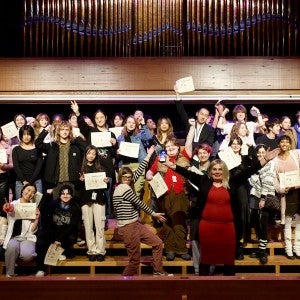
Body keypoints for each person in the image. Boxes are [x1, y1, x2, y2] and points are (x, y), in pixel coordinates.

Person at [165, 148, 278, 275]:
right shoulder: (204, 181)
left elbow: (249, 171)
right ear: (210, 171)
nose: (217, 172)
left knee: (228, 260)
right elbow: (187, 173)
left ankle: (229, 290)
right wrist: (173, 166)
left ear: (224, 171)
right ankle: (203, 289)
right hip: (207, 227)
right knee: (206, 259)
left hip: (227, 228)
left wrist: (266, 159)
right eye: (214, 169)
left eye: (220, 169)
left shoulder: (232, 181)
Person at [112, 146, 171, 277]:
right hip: (128, 227)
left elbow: (138, 171)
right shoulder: (122, 188)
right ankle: (122, 286)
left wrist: (149, 154)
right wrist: (154, 213)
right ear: (120, 177)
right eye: (124, 177)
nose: (128, 179)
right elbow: (139, 203)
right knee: (134, 261)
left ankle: (157, 270)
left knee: (157, 243)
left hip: (135, 224)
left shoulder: (127, 184)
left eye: (129, 177)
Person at [146, 127, 193, 261]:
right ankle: (170, 249)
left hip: (181, 195)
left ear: (178, 147)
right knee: (168, 222)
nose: (170, 148)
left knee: (179, 221)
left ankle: (182, 249)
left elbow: (189, 142)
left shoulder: (184, 158)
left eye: (173, 145)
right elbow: (150, 171)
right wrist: (149, 175)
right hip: (165, 195)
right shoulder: (160, 159)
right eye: (167, 146)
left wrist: (192, 126)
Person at [70, 101, 117, 226]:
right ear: (94, 120)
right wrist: (77, 112)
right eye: (97, 117)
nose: (100, 119)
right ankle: (93, 221)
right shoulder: (91, 131)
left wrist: (114, 144)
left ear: (106, 118)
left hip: (107, 170)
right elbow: (82, 125)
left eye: (102, 117)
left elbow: (113, 154)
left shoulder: (111, 134)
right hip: (93, 170)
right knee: (92, 196)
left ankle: (105, 220)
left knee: (106, 197)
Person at [35, 184, 81, 276]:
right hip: (54, 231)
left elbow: (72, 226)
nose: (65, 195)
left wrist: (59, 240)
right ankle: (41, 269)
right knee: (41, 239)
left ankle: (61, 251)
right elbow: (43, 212)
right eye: (63, 193)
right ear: (59, 195)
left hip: (67, 233)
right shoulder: (54, 204)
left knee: (70, 237)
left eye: (68, 194)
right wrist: (47, 196)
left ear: (71, 195)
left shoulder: (75, 207)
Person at [35, 120, 86, 199]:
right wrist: (45, 131)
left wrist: (77, 137)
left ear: (70, 131)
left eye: (67, 130)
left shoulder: (75, 146)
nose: (64, 132)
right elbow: (38, 144)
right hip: (56, 182)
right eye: (62, 129)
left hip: (73, 181)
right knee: (56, 208)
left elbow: (87, 148)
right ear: (58, 131)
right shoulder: (52, 146)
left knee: (73, 207)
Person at [2, 184, 39, 277]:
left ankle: (18, 252)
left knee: (27, 256)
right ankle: (9, 273)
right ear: (22, 190)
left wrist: (37, 219)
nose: (30, 193)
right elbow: (9, 209)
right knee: (11, 247)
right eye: (28, 190)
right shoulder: (14, 204)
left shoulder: (33, 208)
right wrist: (7, 207)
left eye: (33, 192)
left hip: (27, 237)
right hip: (14, 237)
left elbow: (32, 229)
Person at [248, 144, 277, 264]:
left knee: (263, 224)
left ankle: (263, 251)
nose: (260, 154)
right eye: (258, 152)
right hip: (255, 196)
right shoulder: (255, 165)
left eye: (263, 152)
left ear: (267, 153)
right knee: (257, 223)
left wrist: (263, 198)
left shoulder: (270, 164)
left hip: (265, 198)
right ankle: (260, 249)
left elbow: (268, 182)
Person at [80, 145, 109, 261]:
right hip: (86, 200)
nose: (91, 156)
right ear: (85, 154)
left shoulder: (101, 168)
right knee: (88, 226)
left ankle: (101, 251)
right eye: (89, 153)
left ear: (96, 155)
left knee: (100, 226)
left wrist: (106, 182)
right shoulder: (80, 168)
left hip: (99, 199)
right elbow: (77, 187)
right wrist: (80, 181)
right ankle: (91, 250)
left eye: (93, 154)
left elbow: (105, 188)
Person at [273, 135, 300, 259]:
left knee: (299, 221)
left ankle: (298, 248)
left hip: (299, 191)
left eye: (286, 142)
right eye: (282, 142)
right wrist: (282, 189)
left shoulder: (296, 154)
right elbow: (275, 182)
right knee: (288, 221)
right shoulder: (275, 160)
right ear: (279, 144)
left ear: (290, 144)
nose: (284, 144)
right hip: (287, 194)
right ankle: (288, 249)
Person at [186, 143, 212, 274]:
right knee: (195, 238)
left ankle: (211, 268)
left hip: (210, 206)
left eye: (205, 152)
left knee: (209, 238)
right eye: (200, 153)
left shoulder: (214, 168)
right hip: (196, 206)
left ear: (209, 153)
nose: (202, 155)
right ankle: (197, 269)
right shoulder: (192, 168)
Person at [12, 125, 43, 199]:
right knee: (21, 207)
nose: (26, 136)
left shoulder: (38, 149)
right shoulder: (16, 149)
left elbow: (39, 167)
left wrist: (30, 182)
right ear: (21, 136)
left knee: (37, 206)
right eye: (24, 134)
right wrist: (24, 181)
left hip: (36, 181)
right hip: (20, 182)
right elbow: (16, 167)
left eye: (28, 134)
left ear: (32, 135)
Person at [0, 127, 13, 216]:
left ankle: (4, 225)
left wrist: (5, 166)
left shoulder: (7, 146)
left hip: (2, 178)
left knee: (3, 203)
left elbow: (13, 165)